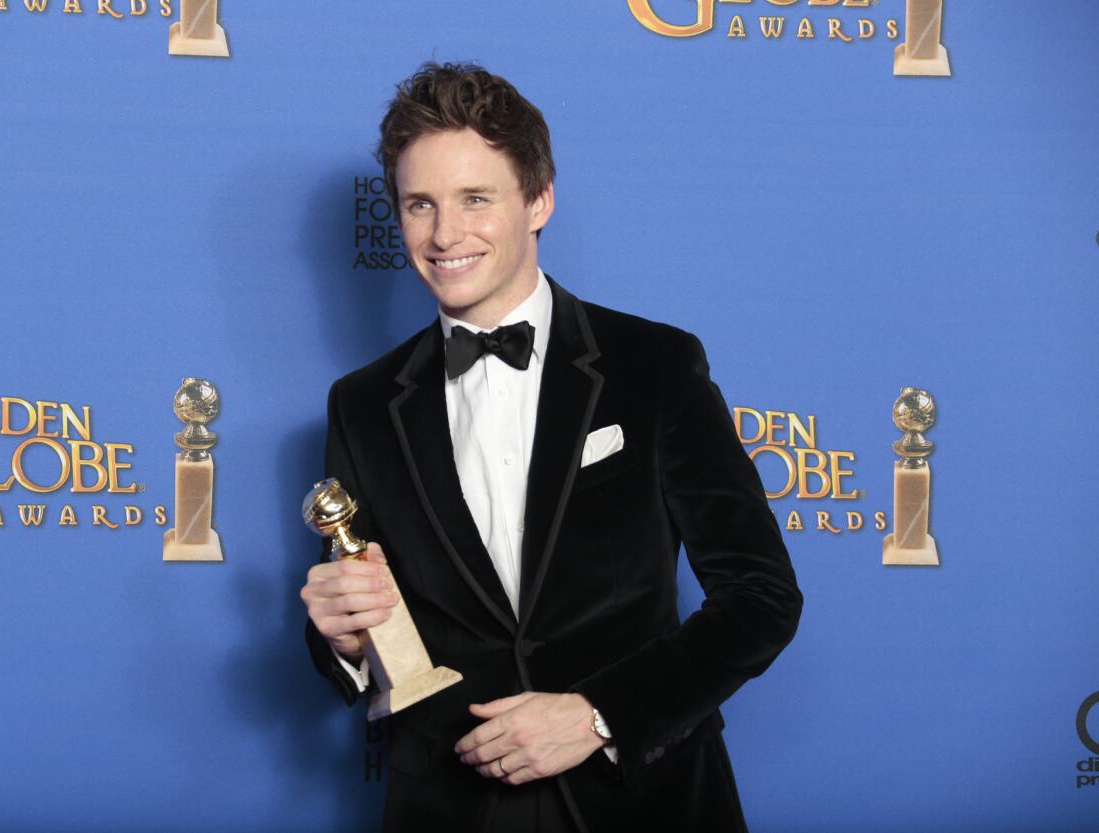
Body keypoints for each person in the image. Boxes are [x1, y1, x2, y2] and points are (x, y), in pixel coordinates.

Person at [300, 62, 802, 833]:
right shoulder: (362, 404)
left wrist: (600, 713)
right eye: (419, 204)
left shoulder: (654, 365)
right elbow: (380, 637)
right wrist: (339, 638)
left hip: (644, 802)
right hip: (450, 806)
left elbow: (761, 598)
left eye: (475, 199)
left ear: (538, 200)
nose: (444, 234)